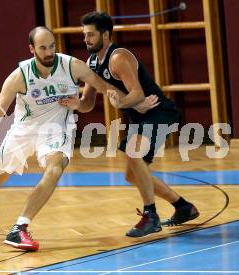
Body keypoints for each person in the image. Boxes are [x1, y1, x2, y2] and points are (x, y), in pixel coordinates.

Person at [0, 26, 113, 251]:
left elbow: (104, 87)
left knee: (55, 169)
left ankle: (19, 228)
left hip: (56, 129)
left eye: (52, 46)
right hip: (24, 129)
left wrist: (129, 98)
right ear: (32, 49)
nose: (49, 52)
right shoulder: (20, 75)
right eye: (43, 47)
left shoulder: (71, 66)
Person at [60, 11, 199, 238]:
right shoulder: (92, 62)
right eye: (84, 35)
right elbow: (87, 103)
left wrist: (123, 102)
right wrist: (75, 103)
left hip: (158, 112)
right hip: (140, 117)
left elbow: (137, 93)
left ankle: (150, 215)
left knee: (134, 153)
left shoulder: (118, 58)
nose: (86, 40)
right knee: (132, 175)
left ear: (105, 35)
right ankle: (183, 207)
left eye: (91, 35)